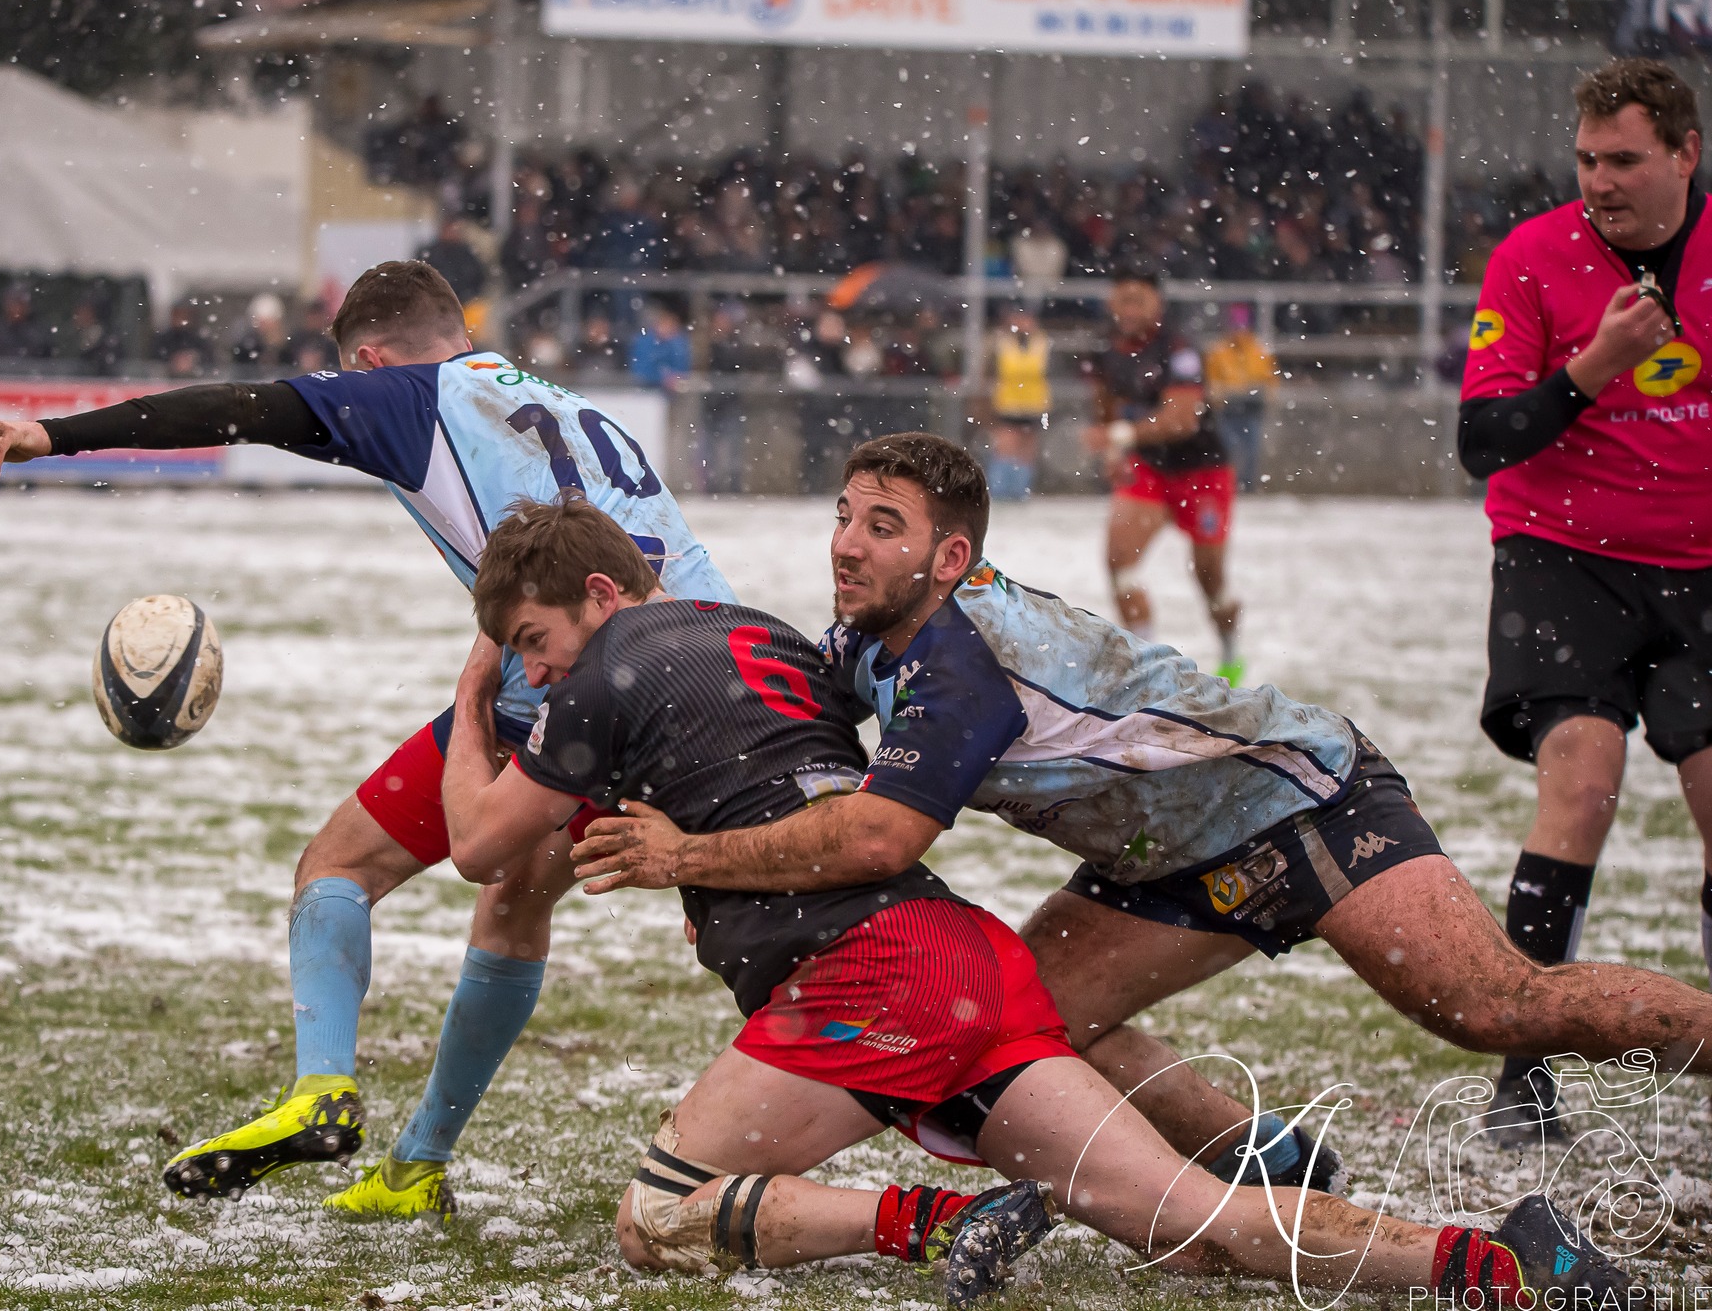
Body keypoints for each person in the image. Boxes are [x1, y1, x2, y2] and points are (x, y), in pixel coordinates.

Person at [443, 494, 1624, 1307]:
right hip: (961, 952)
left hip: (866, 983)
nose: (536, 670)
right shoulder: (760, 633)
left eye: (535, 641)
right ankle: (1495, 1258)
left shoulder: (602, 674)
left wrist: (471, 700)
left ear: (600, 596)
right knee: (1189, 1219)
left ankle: (939, 1222)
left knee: (656, 1215)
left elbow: (477, 847)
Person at [571, 432, 1712, 1197]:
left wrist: (691, 855)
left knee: (1497, 1006)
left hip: (1300, 803)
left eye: (882, 524)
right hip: (1166, 855)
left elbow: (875, 836)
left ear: (949, 556)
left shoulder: (963, 660)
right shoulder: (867, 635)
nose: (846, 543)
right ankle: (1254, 1158)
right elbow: (773, 731)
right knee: (1023, 1021)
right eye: (843, 516)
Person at [0, 260, 732, 1221]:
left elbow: (240, 407)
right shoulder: (550, 396)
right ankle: (416, 1164)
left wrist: (51, 435)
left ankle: (323, 1089)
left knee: (338, 865)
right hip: (700, 664)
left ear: (369, 359)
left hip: (564, 684)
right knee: (519, 902)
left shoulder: (406, 395)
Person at [1456, 57, 1712, 1143]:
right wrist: (1592, 367)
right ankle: (1524, 1068)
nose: (1599, 180)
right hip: (1562, 556)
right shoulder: (1531, 258)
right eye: (1585, 159)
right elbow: (1480, 441)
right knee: (1582, 783)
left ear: (1683, 154)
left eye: (1623, 159)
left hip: (1701, 565)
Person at [1083, 271, 1242, 682]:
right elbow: (1107, 404)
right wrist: (1116, 451)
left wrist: (1119, 434)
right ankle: (1146, 668)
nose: (1129, 309)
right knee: (1120, 566)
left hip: (1202, 471)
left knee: (1210, 578)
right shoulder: (1107, 349)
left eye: (1139, 299)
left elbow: (1183, 420)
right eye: (1123, 299)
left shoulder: (1179, 349)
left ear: (1158, 303)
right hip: (1150, 467)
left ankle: (1231, 650)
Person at [1203, 303, 1277, 495]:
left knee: (1252, 450)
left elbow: (1269, 380)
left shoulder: (1259, 351)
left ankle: (1248, 486)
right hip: (1227, 411)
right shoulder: (1218, 352)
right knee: (1226, 450)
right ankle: (1227, 486)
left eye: (1242, 327)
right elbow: (1212, 382)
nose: (1239, 332)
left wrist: (1255, 393)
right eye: (1236, 327)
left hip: (1250, 410)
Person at [983, 303, 1051, 501]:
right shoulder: (1000, 343)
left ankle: (1021, 491)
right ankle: (999, 491)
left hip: (1034, 404)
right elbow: (988, 373)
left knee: (1027, 450)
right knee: (1005, 447)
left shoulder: (1042, 342)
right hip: (1007, 404)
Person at [417, 217, 488, 307]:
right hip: (435, 303)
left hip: (464, 303)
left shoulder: (466, 253)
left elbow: (479, 277)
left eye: (455, 230)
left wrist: (468, 295)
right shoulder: (430, 253)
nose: (452, 232)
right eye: (450, 229)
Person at [627, 301, 691, 391]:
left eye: (671, 325)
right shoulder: (644, 342)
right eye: (665, 324)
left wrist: (674, 377)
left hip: (674, 391)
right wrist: (661, 378)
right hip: (644, 390)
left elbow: (683, 366)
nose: (668, 328)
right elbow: (639, 369)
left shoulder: (678, 343)